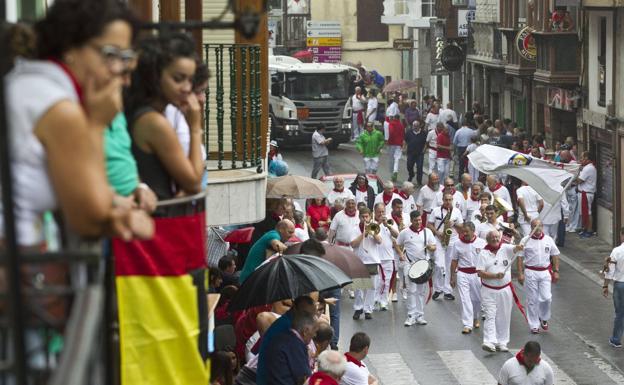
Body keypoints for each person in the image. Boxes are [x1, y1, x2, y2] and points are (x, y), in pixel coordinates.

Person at [2, 0, 153, 245]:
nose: (120, 72)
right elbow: (89, 217)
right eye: (111, 55)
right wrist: (96, 125)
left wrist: (114, 209)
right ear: (70, 47)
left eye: (124, 58)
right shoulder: (58, 108)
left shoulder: (30, 83)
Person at [125, 33, 205, 203]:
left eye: (190, 80)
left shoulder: (144, 113)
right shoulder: (154, 122)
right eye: (178, 79)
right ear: (155, 76)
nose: (187, 88)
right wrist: (195, 128)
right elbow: (194, 182)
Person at [477, 231, 524, 352]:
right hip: (488, 290)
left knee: (504, 316)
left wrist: (519, 247)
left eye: (497, 237)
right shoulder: (483, 253)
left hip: (505, 290)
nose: (495, 239)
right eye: (492, 237)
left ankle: (502, 342)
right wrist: (494, 276)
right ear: (488, 240)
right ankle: (489, 341)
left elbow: (515, 249)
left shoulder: (505, 248)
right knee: (490, 315)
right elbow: (480, 273)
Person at [256, 296, 317, 385]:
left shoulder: (290, 323)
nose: (311, 318)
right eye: (307, 314)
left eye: (313, 315)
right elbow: (304, 377)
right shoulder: (291, 333)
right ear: (295, 309)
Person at [517, 219, 560, 334]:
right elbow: (520, 258)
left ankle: (544, 317)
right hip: (530, 272)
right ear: (531, 227)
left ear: (542, 227)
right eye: (535, 226)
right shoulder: (525, 241)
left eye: (540, 226)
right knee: (532, 299)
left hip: (545, 272)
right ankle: (534, 324)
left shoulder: (548, 240)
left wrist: (556, 270)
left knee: (546, 298)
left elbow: (555, 254)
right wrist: (520, 274)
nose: (538, 228)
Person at [397, 210, 436, 326]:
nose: (418, 222)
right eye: (416, 220)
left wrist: (430, 247)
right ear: (411, 220)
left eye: (420, 220)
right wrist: (400, 254)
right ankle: (411, 315)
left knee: (421, 291)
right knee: (411, 290)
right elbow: (397, 244)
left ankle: (420, 315)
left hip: (423, 265)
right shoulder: (405, 232)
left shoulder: (427, 232)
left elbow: (434, 247)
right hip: (409, 263)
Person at [450, 222, 487, 334]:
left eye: (467, 231)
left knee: (476, 299)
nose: (464, 233)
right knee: (465, 299)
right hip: (463, 273)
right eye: (463, 231)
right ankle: (467, 324)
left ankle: (475, 317)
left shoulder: (482, 243)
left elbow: (487, 259)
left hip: (477, 274)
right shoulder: (457, 244)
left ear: (473, 231)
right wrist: (452, 277)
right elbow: (454, 260)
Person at [428, 193, 463, 300]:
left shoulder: (457, 211)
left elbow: (461, 227)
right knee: (439, 265)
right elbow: (429, 224)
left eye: (450, 200)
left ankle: (447, 290)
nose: (448, 202)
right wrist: (437, 233)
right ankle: (438, 289)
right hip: (439, 240)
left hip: (452, 241)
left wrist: (454, 224)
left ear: (452, 200)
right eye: (446, 200)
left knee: (449, 266)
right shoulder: (436, 210)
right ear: (442, 200)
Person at [351, 207, 382, 320]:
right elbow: (353, 244)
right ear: (359, 217)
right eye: (363, 217)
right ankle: (358, 308)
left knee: (372, 287)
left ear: (370, 216)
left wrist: (372, 232)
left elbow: (379, 241)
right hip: (358, 261)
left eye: (367, 216)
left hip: (372, 260)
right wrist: (363, 234)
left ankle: (368, 309)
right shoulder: (355, 229)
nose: (365, 219)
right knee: (359, 287)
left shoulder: (374, 227)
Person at [373, 203, 399, 311]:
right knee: (377, 281)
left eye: (383, 211)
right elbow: (374, 237)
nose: (381, 214)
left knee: (387, 281)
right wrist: (379, 223)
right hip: (375, 257)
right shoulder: (372, 223)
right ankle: (375, 300)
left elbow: (397, 235)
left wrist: (388, 225)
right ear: (375, 211)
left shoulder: (390, 221)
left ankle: (384, 301)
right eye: (379, 211)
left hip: (388, 256)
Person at [603, 227, 624, 348]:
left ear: (622, 235)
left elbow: (609, 271)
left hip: (621, 284)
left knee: (620, 312)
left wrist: (605, 286)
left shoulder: (617, 251)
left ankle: (616, 339)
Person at [576, 151, 597, 237]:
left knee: (587, 212)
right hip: (583, 193)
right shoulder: (587, 167)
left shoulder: (588, 168)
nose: (581, 160)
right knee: (583, 212)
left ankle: (589, 230)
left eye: (582, 158)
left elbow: (579, 180)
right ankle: (585, 228)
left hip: (586, 193)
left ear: (587, 159)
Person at [405, 120, 428, 185]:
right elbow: (405, 141)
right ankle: (411, 174)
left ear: (419, 126)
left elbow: (426, 143)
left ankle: (419, 181)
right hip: (410, 152)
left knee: (419, 167)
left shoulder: (423, 133)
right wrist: (405, 148)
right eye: (414, 126)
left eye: (416, 126)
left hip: (420, 153)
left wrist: (424, 150)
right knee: (409, 165)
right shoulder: (409, 132)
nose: (415, 127)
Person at [385, 113, 405, 182]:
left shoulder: (391, 124)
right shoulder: (401, 125)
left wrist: (388, 140)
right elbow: (403, 134)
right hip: (399, 143)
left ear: (394, 118)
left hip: (392, 143)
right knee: (397, 158)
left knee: (391, 158)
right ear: (399, 118)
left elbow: (391, 132)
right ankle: (395, 170)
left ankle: (392, 173)